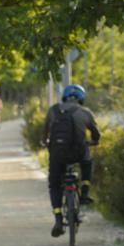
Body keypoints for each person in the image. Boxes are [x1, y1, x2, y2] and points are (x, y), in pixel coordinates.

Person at [42, 84, 100, 237]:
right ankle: (85, 193)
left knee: (54, 185)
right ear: (81, 98)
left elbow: (44, 134)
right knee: (87, 162)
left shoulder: (53, 110)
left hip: (57, 154)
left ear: (64, 96)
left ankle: (58, 218)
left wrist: (46, 143)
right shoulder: (85, 112)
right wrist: (93, 141)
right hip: (78, 153)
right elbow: (96, 134)